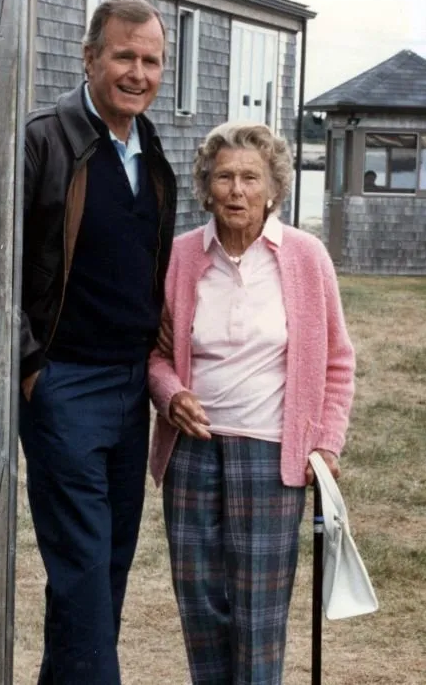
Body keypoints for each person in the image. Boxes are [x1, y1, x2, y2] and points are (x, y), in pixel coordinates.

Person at [148, 122, 355, 685]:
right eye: (223, 177)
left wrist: (325, 443)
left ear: (273, 189)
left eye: (249, 177)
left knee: (259, 617)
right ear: (206, 187)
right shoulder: (181, 257)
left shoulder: (307, 259)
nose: (236, 190)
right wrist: (171, 394)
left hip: (272, 459)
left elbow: (338, 361)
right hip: (193, 454)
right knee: (200, 606)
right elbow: (153, 353)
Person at [19, 0, 176, 685]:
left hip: (127, 388)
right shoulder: (43, 139)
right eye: (123, 56)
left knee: (104, 568)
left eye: (150, 60)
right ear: (88, 58)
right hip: (64, 384)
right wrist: (32, 370)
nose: (137, 73)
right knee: (83, 565)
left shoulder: (152, 150)